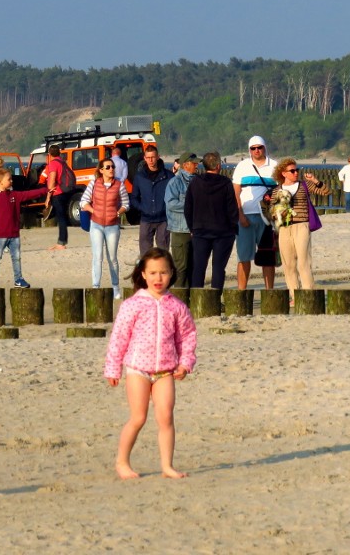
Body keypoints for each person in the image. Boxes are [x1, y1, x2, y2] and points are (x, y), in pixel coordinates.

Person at [103, 248, 197, 480]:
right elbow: (119, 338)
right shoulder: (133, 305)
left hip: (166, 371)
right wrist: (113, 368)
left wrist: (185, 363)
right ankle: (122, 462)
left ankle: (167, 466)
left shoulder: (176, 306)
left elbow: (187, 336)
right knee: (138, 417)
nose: (158, 278)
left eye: (163, 272)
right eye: (153, 272)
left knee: (166, 417)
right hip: (138, 370)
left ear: (171, 273)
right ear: (143, 274)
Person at [0, 167, 49, 288]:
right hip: (0, 235)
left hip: (14, 234)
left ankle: (18, 279)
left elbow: (28, 194)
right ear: (0, 182)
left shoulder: (14, 195)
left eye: (11, 179)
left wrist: (45, 190)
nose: (11, 181)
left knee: (16, 258)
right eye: (9, 179)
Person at [269, 158, 331, 304]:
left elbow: (326, 192)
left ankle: (308, 293)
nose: (296, 173)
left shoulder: (304, 185)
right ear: (283, 173)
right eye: (292, 171)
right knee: (288, 264)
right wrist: (278, 214)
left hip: (302, 225)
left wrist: (315, 180)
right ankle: (294, 295)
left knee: (304, 261)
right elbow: (271, 211)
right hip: (284, 228)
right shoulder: (277, 190)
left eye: (297, 170)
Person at [185, 151, 239, 289]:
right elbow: (232, 208)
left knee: (199, 267)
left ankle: (197, 297)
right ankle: (215, 297)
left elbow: (188, 208)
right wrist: (234, 227)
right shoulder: (226, 183)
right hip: (223, 232)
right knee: (218, 267)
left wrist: (192, 227)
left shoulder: (196, 182)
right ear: (218, 165)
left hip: (200, 230)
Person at [232, 135, 278, 290]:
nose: (257, 151)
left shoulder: (275, 166)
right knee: (244, 257)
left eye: (260, 147)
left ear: (265, 147)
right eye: (253, 148)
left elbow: (280, 192)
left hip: (268, 219)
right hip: (246, 217)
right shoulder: (242, 166)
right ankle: (241, 292)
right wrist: (240, 215)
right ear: (249, 150)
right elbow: (235, 192)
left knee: (267, 258)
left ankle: (269, 291)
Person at [79, 159, 130, 299]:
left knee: (112, 258)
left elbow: (126, 203)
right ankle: (96, 286)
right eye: (108, 167)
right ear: (101, 170)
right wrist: (93, 210)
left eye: (112, 167)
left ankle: (115, 288)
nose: (111, 169)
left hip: (113, 225)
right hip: (96, 225)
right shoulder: (94, 183)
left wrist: (118, 213)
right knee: (97, 256)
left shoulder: (119, 185)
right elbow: (83, 201)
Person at [164, 152, 200, 288]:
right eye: (194, 163)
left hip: (196, 230)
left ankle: (193, 300)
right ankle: (179, 300)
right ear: (185, 165)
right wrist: (190, 206)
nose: (197, 165)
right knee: (181, 267)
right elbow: (170, 203)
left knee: (194, 267)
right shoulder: (175, 182)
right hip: (180, 230)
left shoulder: (198, 180)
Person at [130, 145, 174, 255]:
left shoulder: (168, 176)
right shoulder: (139, 177)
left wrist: (166, 207)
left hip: (163, 219)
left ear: (158, 157)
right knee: (145, 255)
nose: (150, 160)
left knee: (163, 254)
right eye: (148, 157)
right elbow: (134, 197)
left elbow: (174, 196)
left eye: (153, 157)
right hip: (146, 219)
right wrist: (143, 208)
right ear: (144, 158)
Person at [40, 144, 70, 250]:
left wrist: (48, 197)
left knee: (60, 217)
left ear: (49, 154)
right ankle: (62, 241)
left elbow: (51, 181)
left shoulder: (53, 164)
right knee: (62, 216)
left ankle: (61, 242)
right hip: (65, 191)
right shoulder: (62, 162)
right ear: (59, 153)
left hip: (57, 192)